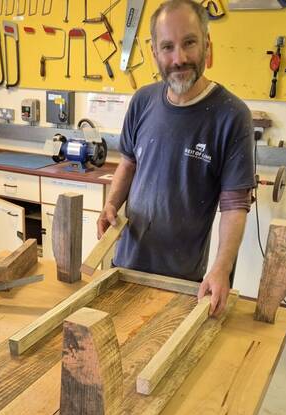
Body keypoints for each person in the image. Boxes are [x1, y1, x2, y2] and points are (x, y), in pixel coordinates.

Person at [96, 0, 255, 317]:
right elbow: (128, 162)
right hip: (125, 265)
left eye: (189, 43)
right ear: (154, 51)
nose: (179, 58)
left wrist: (221, 269)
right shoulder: (143, 100)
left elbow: (235, 205)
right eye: (167, 46)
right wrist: (112, 203)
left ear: (207, 45)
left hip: (181, 280)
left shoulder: (232, 116)